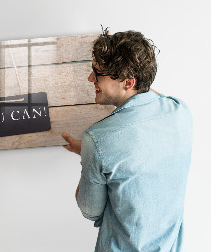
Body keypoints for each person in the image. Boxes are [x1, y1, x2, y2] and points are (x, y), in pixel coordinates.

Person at [62, 30, 192, 251]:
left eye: (98, 72)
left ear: (128, 82)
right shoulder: (180, 111)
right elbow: (147, 94)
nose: (90, 78)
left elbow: (90, 211)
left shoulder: (97, 139)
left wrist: (90, 155)